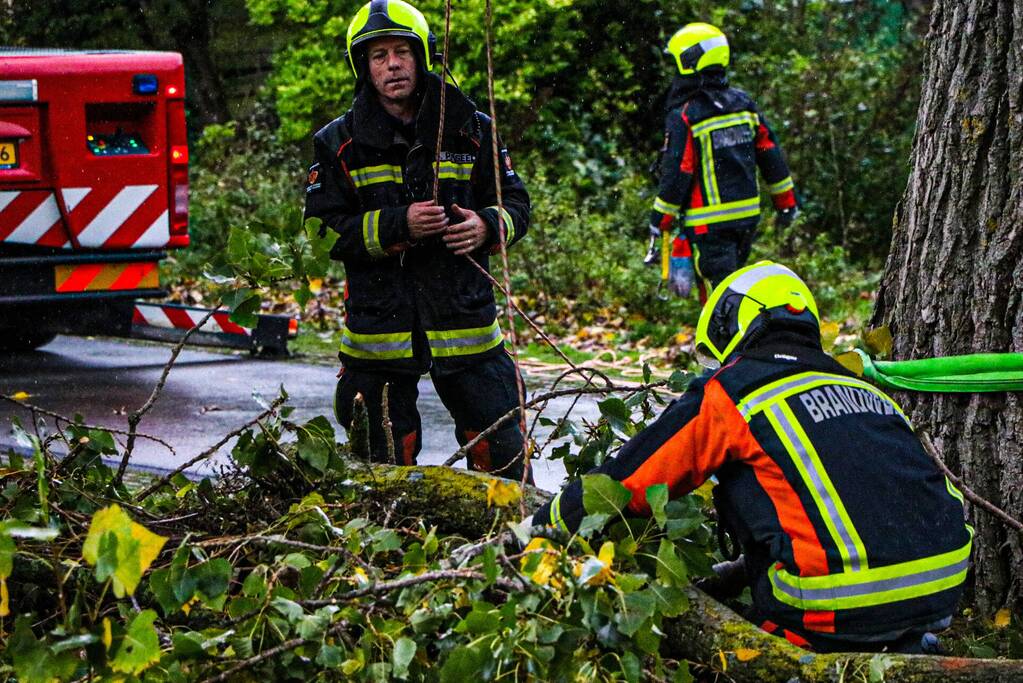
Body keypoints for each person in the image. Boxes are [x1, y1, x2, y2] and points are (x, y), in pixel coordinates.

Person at [529, 261, 972, 653]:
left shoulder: (734, 390)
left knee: (736, 474)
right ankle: (901, 630)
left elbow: (631, 480)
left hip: (831, 606)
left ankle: (806, 635)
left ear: (732, 322)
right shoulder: (864, 389)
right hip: (946, 587)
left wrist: (543, 524)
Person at [304, 0, 531, 481]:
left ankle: (513, 546)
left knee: (504, 449)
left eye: (401, 52)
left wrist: (487, 226)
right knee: (381, 467)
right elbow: (320, 233)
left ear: (421, 56)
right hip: (378, 334)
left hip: (465, 322)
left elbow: (517, 204)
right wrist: (396, 226)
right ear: (363, 67)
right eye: (378, 55)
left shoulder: (471, 129)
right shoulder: (337, 143)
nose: (392, 65)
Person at [647, 23, 798, 301]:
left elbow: (679, 170)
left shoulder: (687, 113)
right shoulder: (743, 104)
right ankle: (739, 337)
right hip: (746, 219)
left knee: (719, 297)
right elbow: (771, 156)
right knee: (735, 287)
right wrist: (786, 204)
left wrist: (660, 218)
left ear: (690, 60)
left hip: (708, 224)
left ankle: (727, 342)